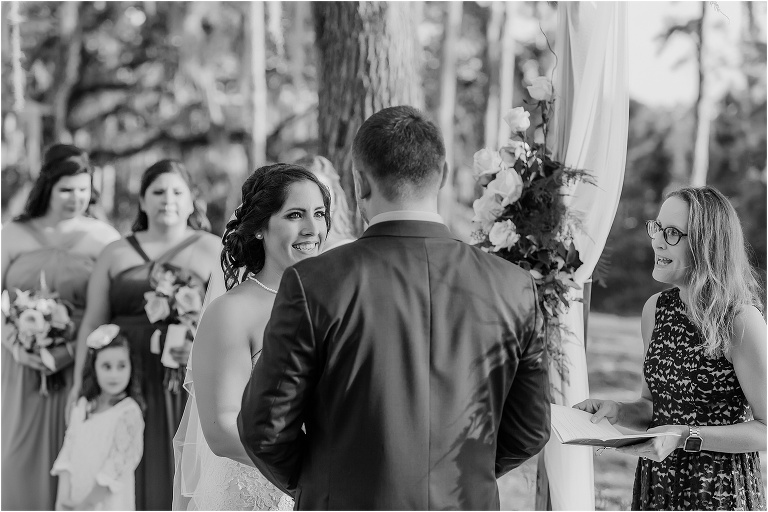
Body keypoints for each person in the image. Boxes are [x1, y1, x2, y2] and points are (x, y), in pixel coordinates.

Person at [238, 105, 551, 510]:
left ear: (360, 181)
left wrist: (324, 483)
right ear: (441, 172)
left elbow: (265, 428)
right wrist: (463, 475)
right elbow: (530, 429)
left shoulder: (314, 281)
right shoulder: (514, 286)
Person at [574, 186, 766, 510]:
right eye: (658, 228)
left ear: (707, 245)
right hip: (657, 488)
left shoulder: (740, 320)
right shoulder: (656, 310)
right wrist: (617, 411)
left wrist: (684, 436)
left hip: (718, 493)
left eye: (673, 233)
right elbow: (653, 407)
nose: (658, 241)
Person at [172, 163, 330, 510]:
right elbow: (220, 429)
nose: (312, 228)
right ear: (260, 227)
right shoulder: (231, 312)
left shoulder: (335, 301)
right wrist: (312, 476)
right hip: (255, 495)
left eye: (319, 213)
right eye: (295, 215)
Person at [70, 159, 220, 510]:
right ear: (142, 201)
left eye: (177, 191)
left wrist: (200, 348)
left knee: (177, 466)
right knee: (120, 468)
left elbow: (227, 318)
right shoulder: (115, 252)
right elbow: (93, 323)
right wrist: (81, 383)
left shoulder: (213, 248)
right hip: (121, 376)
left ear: (191, 200)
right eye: (157, 191)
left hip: (182, 379)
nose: (167, 199)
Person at [1, 144, 120, 510]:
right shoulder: (12, 234)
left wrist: (70, 353)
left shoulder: (104, 238)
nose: (76, 198)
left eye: (84, 189)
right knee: (16, 455)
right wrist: (17, 343)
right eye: (67, 189)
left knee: (76, 457)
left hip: (79, 364)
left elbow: (111, 308)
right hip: (20, 365)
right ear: (47, 186)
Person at [52, 324, 144, 510]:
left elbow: (116, 467)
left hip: (105, 502)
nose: (114, 374)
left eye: (121, 366)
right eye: (106, 366)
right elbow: (68, 450)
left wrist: (86, 505)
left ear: (131, 367)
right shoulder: (83, 406)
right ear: (93, 368)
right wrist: (63, 500)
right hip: (75, 497)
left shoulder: (129, 413)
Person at [294, 154, 356, 249]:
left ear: (336, 198)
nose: (316, 202)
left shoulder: (350, 250)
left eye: (324, 192)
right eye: (306, 193)